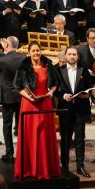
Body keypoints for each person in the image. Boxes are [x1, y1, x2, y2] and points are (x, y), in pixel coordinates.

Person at [14, 43, 61, 179]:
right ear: (29, 53)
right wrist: (29, 97)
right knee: (30, 135)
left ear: (41, 51)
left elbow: (55, 84)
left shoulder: (48, 66)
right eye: (33, 51)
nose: (36, 53)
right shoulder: (23, 67)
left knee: (44, 136)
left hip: (45, 103)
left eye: (38, 50)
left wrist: (51, 92)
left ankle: (46, 169)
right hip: (29, 104)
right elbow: (18, 86)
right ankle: (30, 169)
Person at [54, 45, 95, 177]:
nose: (72, 57)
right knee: (65, 139)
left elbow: (89, 88)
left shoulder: (84, 70)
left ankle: (80, 166)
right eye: (70, 54)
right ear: (66, 56)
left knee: (79, 139)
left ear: (77, 56)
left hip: (80, 109)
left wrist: (87, 95)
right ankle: (65, 167)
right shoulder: (58, 70)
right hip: (65, 110)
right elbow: (55, 90)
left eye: (74, 54)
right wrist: (63, 96)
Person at [0, 36, 25, 163]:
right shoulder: (24, 58)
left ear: (7, 45)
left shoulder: (1, 60)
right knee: (22, 126)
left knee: (7, 126)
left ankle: (9, 153)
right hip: (21, 96)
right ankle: (23, 152)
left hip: (8, 97)